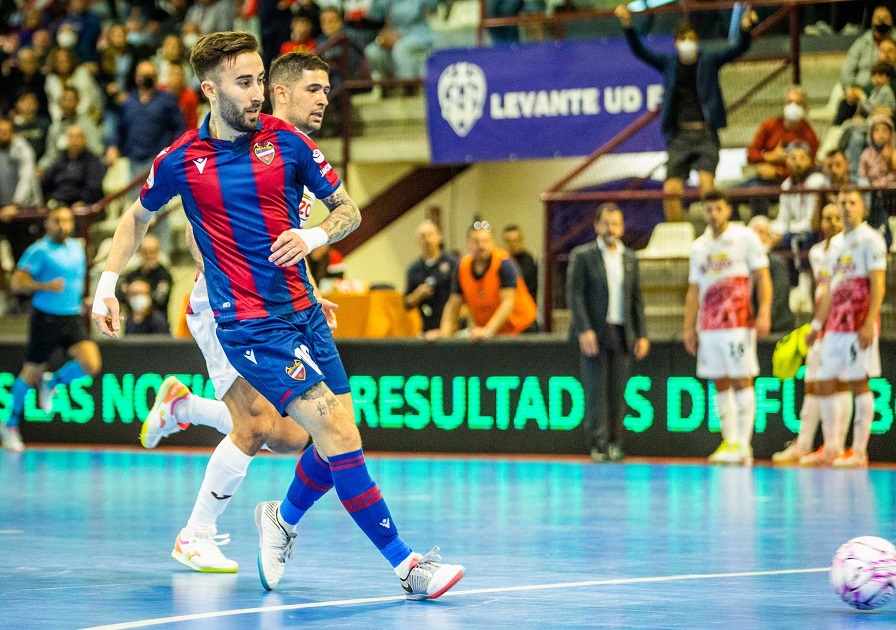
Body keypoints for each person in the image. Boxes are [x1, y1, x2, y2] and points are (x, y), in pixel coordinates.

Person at [91, 35, 463, 598]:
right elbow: (135, 219)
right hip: (251, 326)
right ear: (210, 89)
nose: (257, 93)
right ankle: (407, 566)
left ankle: (280, 519)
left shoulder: (287, 141)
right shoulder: (181, 161)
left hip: (303, 313)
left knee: (312, 438)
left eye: (261, 80)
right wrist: (107, 286)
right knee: (326, 431)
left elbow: (348, 210)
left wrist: (312, 237)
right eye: (244, 82)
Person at [137, 51, 340, 574]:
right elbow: (195, 230)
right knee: (254, 424)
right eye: (313, 91)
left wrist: (309, 293)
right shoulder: (239, 144)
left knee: (292, 436)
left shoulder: (292, 153)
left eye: (326, 90)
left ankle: (184, 408)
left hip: (275, 306)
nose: (323, 100)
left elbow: (285, 244)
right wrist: (233, 275)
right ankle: (195, 534)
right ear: (280, 94)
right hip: (225, 305)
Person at [615, 5, 756, 222]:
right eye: (683, 39)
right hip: (679, 135)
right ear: (676, 43)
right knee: (671, 190)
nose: (687, 42)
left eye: (691, 38)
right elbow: (640, 51)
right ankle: (677, 232)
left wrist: (746, 29)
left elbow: (738, 49)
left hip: (705, 133)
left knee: (706, 186)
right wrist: (627, 25)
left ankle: (713, 227)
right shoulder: (669, 64)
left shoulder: (708, 62)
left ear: (696, 41)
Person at [0, 206, 101, 453]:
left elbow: (75, 283)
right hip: (45, 318)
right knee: (30, 373)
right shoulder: (39, 251)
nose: (63, 226)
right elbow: (17, 283)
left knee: (91, 364)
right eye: (58, 221)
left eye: (67, 221)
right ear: (47, 223)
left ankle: (52, 381)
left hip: (71, 317)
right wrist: (45, 286)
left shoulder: (78, 248)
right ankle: (9, 425)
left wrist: (85, 301)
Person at [683, 189, 771, 465]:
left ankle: (744, 446)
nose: (714, 214)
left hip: (738, 324)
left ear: (728, 210)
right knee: (719, 382)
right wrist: (689, 327)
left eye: (718, 209)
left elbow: (763, 277)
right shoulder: (699, 247)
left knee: (742, 378)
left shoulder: (745, 238)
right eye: (708, 210)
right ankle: (730, 441)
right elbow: (694, 290)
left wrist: (764, 311)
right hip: (709, 326)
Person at [807, 187, 886, 468]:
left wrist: (868, 324)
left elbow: (878, 285)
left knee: (858, 383)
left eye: (852, 202)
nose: (847, 207)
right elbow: (830, 289)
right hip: (834, 328)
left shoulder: (871, 240)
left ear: (862, 207)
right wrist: (817, 325)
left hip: (858, 326)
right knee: (824, 381)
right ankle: (832, 448)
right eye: (843, 203)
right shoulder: (836, 244)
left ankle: (859, 451)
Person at [566, 203, 649, 463]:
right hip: (595, 331)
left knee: (618, 392)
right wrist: (584, 329)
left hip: (622, 331)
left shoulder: (629, 258)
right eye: (606, 224)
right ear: (596, 226)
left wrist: (642, 333)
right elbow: (575, 295)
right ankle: (598, 444)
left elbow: (636, 299)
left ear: (622, 228)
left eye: (615, 224)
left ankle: (615, 443)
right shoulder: (583, 256)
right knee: (595, 391)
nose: (611, 229)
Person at [772, 203, 849, 465]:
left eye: (837, 218)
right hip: (820, 325)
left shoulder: (848, 248)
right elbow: (821, 289)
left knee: (838, 384)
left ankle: (835, 446)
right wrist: (816, 323)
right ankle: (803, 445)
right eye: (827, 218)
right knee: (812, 383)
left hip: (842, 325)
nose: (832, 223)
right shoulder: (816, 253)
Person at [438, 220, 537, 341]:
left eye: (486, 241)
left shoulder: (504, 263)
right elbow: (454, 303)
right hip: (492, 332)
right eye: (476, 241)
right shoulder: (462, 267)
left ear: (493, 242)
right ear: (468, 243)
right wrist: (443, 334)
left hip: (521, 328)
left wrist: (488, 330)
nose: (481, 245)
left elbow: (508, 302)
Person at [744, 87, 819, 215]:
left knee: (757, 190)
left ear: (805, 107)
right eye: (789, 102)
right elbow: (750, 154)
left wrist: (778, 172)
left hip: (790, 182)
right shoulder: (770, 125)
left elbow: (810, 167)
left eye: (798, 103)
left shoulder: (809, 135)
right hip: (761, 179)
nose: (793, 106)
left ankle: (761, 223)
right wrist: (769, 156)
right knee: (729, 193)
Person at [836, 6, 895, 125]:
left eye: (885, 18)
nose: (881, 22)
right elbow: (847, 71)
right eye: (878, 18)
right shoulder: (861, 43)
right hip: (864, 91)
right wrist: (853, 90)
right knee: (847, 104)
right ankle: (837, 130)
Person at [404, 219, 457, 340]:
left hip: (454, 330)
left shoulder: (453, 263)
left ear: (439, 236)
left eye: (430, 235)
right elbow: (407, 303)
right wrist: (418, 294)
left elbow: (461, 299)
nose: (427, 240)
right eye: (423, 236)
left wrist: (446, 330)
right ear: (417, 241)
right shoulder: (413, 269)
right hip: (427, 330)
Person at [364, 0, 439, 84]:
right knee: (372, 51)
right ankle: (386, 87)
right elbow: (374, 15)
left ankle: (406, 87)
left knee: (401, 49)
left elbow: (433, 4)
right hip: (393, 35)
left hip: (418, 35)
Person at [38, 86, 104, 173]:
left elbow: (97, 150)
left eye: (71, 100)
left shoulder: (87, 124)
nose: (68, 103)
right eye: (65, 100)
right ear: (60, 103)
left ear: (78, 102)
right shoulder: (55, 127)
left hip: (84, 167)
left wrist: (80, 147)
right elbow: (51, 154)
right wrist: (41, 167)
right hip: (61, 168)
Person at [748, 215, 795, 332]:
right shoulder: (741, 264)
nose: (756, 236)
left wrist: (761, 318)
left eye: (762, 232)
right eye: (753, 232)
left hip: (777, 325)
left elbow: (778, 296)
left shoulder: (778, 263)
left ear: (769, 238)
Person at [40, 124, 106, 207]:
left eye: (77, 137)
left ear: (84, 140)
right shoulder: (60, 160)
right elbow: (46, 183)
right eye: (71, 137)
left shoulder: (92, 161)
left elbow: (94, 188)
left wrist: (83, 202)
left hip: (80, 205)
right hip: (56, 202)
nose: (74, 141)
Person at [119, 234, 172, 323]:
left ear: (157, 252)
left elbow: (160, 299)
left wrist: (134, 293)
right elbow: (120, 294)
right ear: (140, 252)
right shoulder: (132, 275)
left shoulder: (164, 276)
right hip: (133, 323)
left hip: (156, 323)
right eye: (145, 252)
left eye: (152, 252)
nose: (148, 255)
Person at [501, 224, 538, 303]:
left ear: (521, 241)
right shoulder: (502, 260)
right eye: (508, 241)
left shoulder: (528, 261)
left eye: (515, 241)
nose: (512, 244)